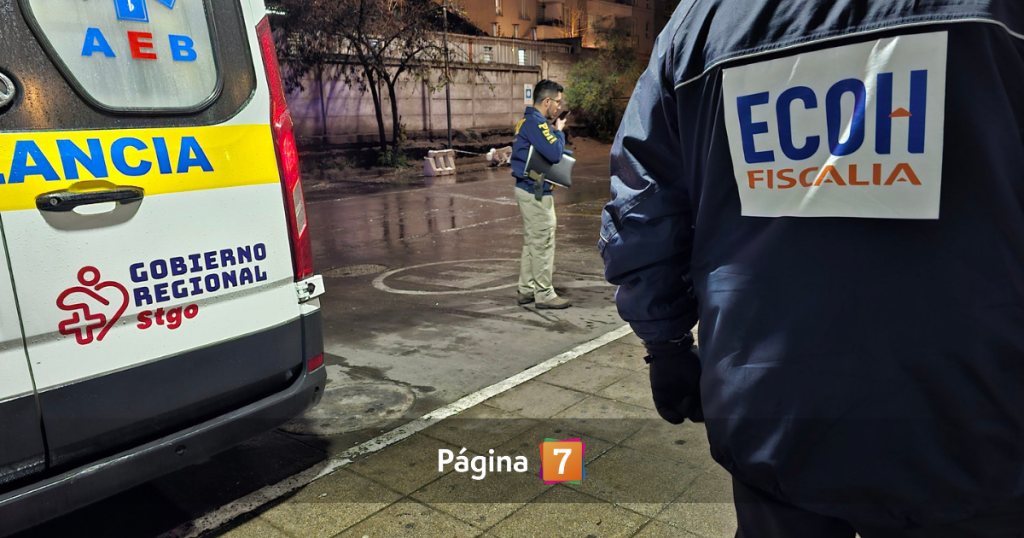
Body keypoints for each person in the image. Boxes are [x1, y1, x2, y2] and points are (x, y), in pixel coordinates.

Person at [601, 1, 1024, 536]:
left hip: (771, 415)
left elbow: (642, 207)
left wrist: (666, 345)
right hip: (973, 418)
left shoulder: (698, 23)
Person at [512, 79, 572, 309]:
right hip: (535, 191)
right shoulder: (537, 124)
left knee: (533, 242)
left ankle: (526, 289)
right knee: (543, 242)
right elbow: (554, 153)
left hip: (528, 189)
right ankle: (544, 293)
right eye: (557, 102)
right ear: (546, 101)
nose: (559, 107)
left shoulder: (527, 122)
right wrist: (559, 132)